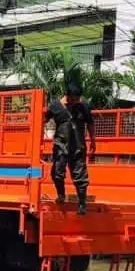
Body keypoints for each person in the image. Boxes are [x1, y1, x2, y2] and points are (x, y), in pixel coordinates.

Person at [45, 82, 96, 214]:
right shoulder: (55, 106)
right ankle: (61, 195)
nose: (75, 102)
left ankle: (82, 203)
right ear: (67, 96)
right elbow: (43, 119)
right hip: (60, 145)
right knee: (57, 173)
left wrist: (93, 141)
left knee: (80, 175)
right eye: (73, 99)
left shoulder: (83, 106)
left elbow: (90, 123)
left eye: (77, 99)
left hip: (78, 146)